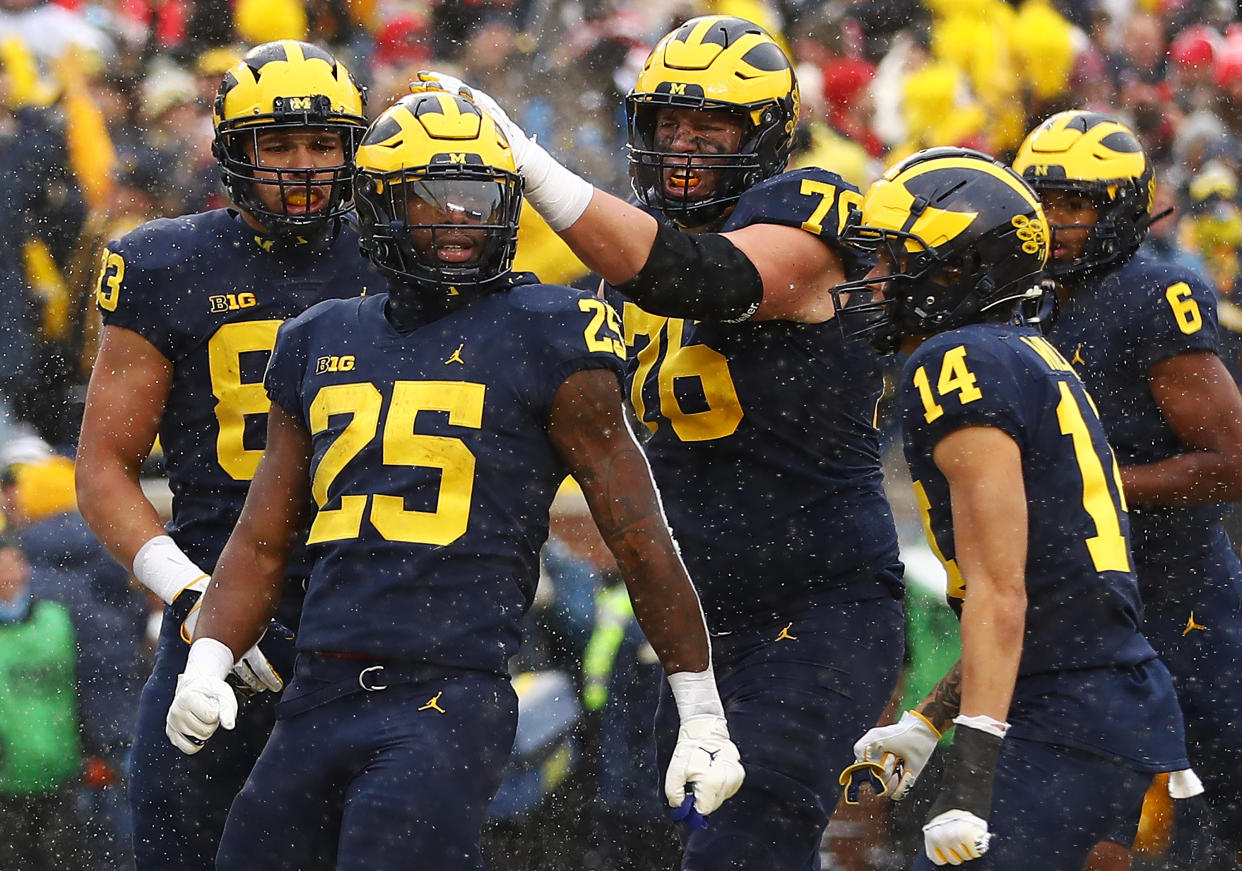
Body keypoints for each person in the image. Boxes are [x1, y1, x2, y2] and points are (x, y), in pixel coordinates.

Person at [162, 89, 745, 871]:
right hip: (318, 688)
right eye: (430, 197)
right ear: (376, 205)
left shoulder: (549, 331)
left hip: (446, 691)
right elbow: (263, 540)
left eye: (477, 196)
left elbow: (639, 537)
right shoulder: (317, 336)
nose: (457, 219)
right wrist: (205, 658)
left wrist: (700, 708)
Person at [413, 14, 905, 870]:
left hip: (815, 604)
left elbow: (707, 277)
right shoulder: (621, 262)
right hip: (687, 621)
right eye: (666, 124)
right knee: (639, 840)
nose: (681, 145)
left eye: (708, 124)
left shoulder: (806, 209)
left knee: (744, 840)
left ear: (765, 134)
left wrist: (529, 165)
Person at [836, 147, 1190, 868]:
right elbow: (1048, 589)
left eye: (892, 259)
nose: (872, 279)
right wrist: (930, 722)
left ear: (956, 269)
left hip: (1066, 710)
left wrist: (968, 778)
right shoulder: (1022, 351)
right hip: (1103, 695)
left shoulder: (955, 362)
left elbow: (1003, 591)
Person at [74, 40, 377, 871]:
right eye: (277, 144)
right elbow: (103, 466)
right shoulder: (165, 262)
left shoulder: (394, 256)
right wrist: (195, 595)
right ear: (232, 151)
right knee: (182, 844)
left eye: (322, 143)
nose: (304, 165)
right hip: (216, 602)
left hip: (369, 608)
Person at [1012, 109, 1242, 862]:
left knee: (1199, 831)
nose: (1052, 222)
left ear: (1119, 212)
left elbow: (1232, 460)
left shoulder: (1155, 296)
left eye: (1073, 204)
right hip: (1079, 608)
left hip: (1181, 609)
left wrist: (1094, 484)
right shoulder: (1027, 300)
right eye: (1040, 200)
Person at [0, 526, 88, 871]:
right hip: (7, 779)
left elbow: (82, 686)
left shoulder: (56, 619)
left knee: (64, 859)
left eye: (13, 564)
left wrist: (94, 747)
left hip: (59, 769)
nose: (8, 574)